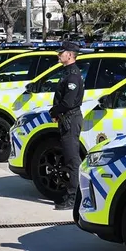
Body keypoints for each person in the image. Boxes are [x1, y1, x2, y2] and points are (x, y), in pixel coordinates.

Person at [51, 40, 86, 210]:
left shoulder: (72, 75)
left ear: (70, 55)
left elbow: (68, 102)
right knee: (69, 157)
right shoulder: (67, 72)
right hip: (67, 118)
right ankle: (72, 193)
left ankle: (74, 197)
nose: (59, 55)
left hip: (70, 119)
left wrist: (54, 111)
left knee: (73, 160)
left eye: (61, 53)